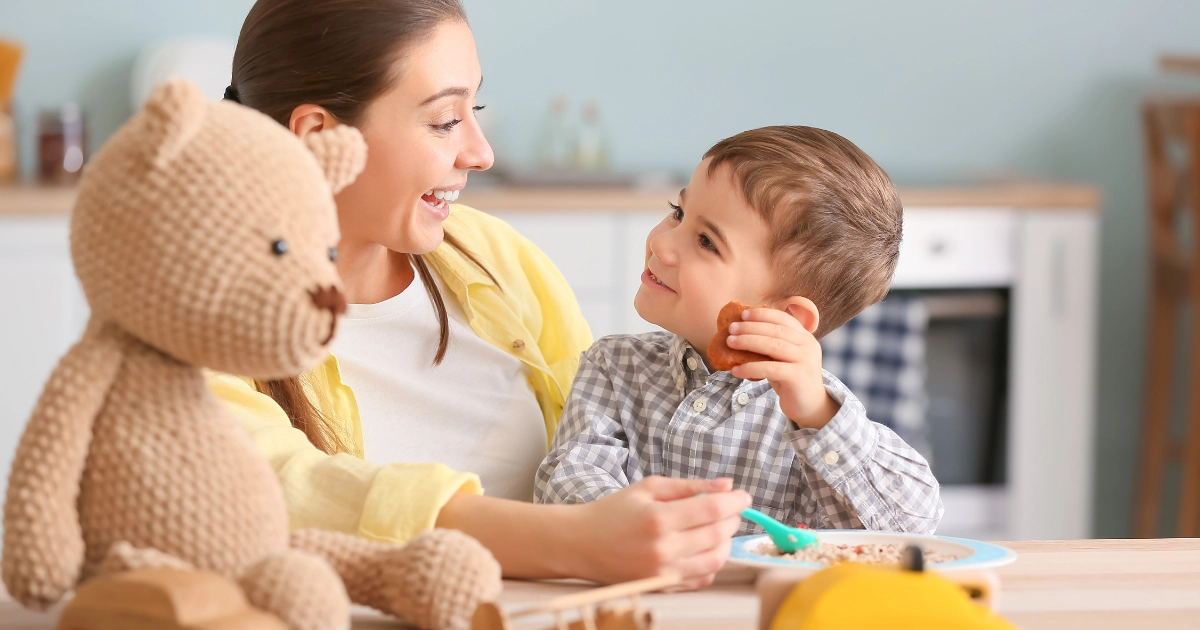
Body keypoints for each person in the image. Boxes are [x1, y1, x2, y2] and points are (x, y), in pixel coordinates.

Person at [210, 0, 749, 589]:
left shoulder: (495, 258)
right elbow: (282, 489)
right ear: (318, 136)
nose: (480, 152)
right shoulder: (195, 320)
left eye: (477, 108)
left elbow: (611, 439)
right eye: (444, 120)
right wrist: (577, 544)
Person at [535, 126, 944, 535]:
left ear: (785, 316)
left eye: (706, 242)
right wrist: (649, 525)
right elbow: (565, 482)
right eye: (678, 212)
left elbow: (911, 528)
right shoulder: (614, 366)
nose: (662, 244)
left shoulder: (815, 414)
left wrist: (818, 415)